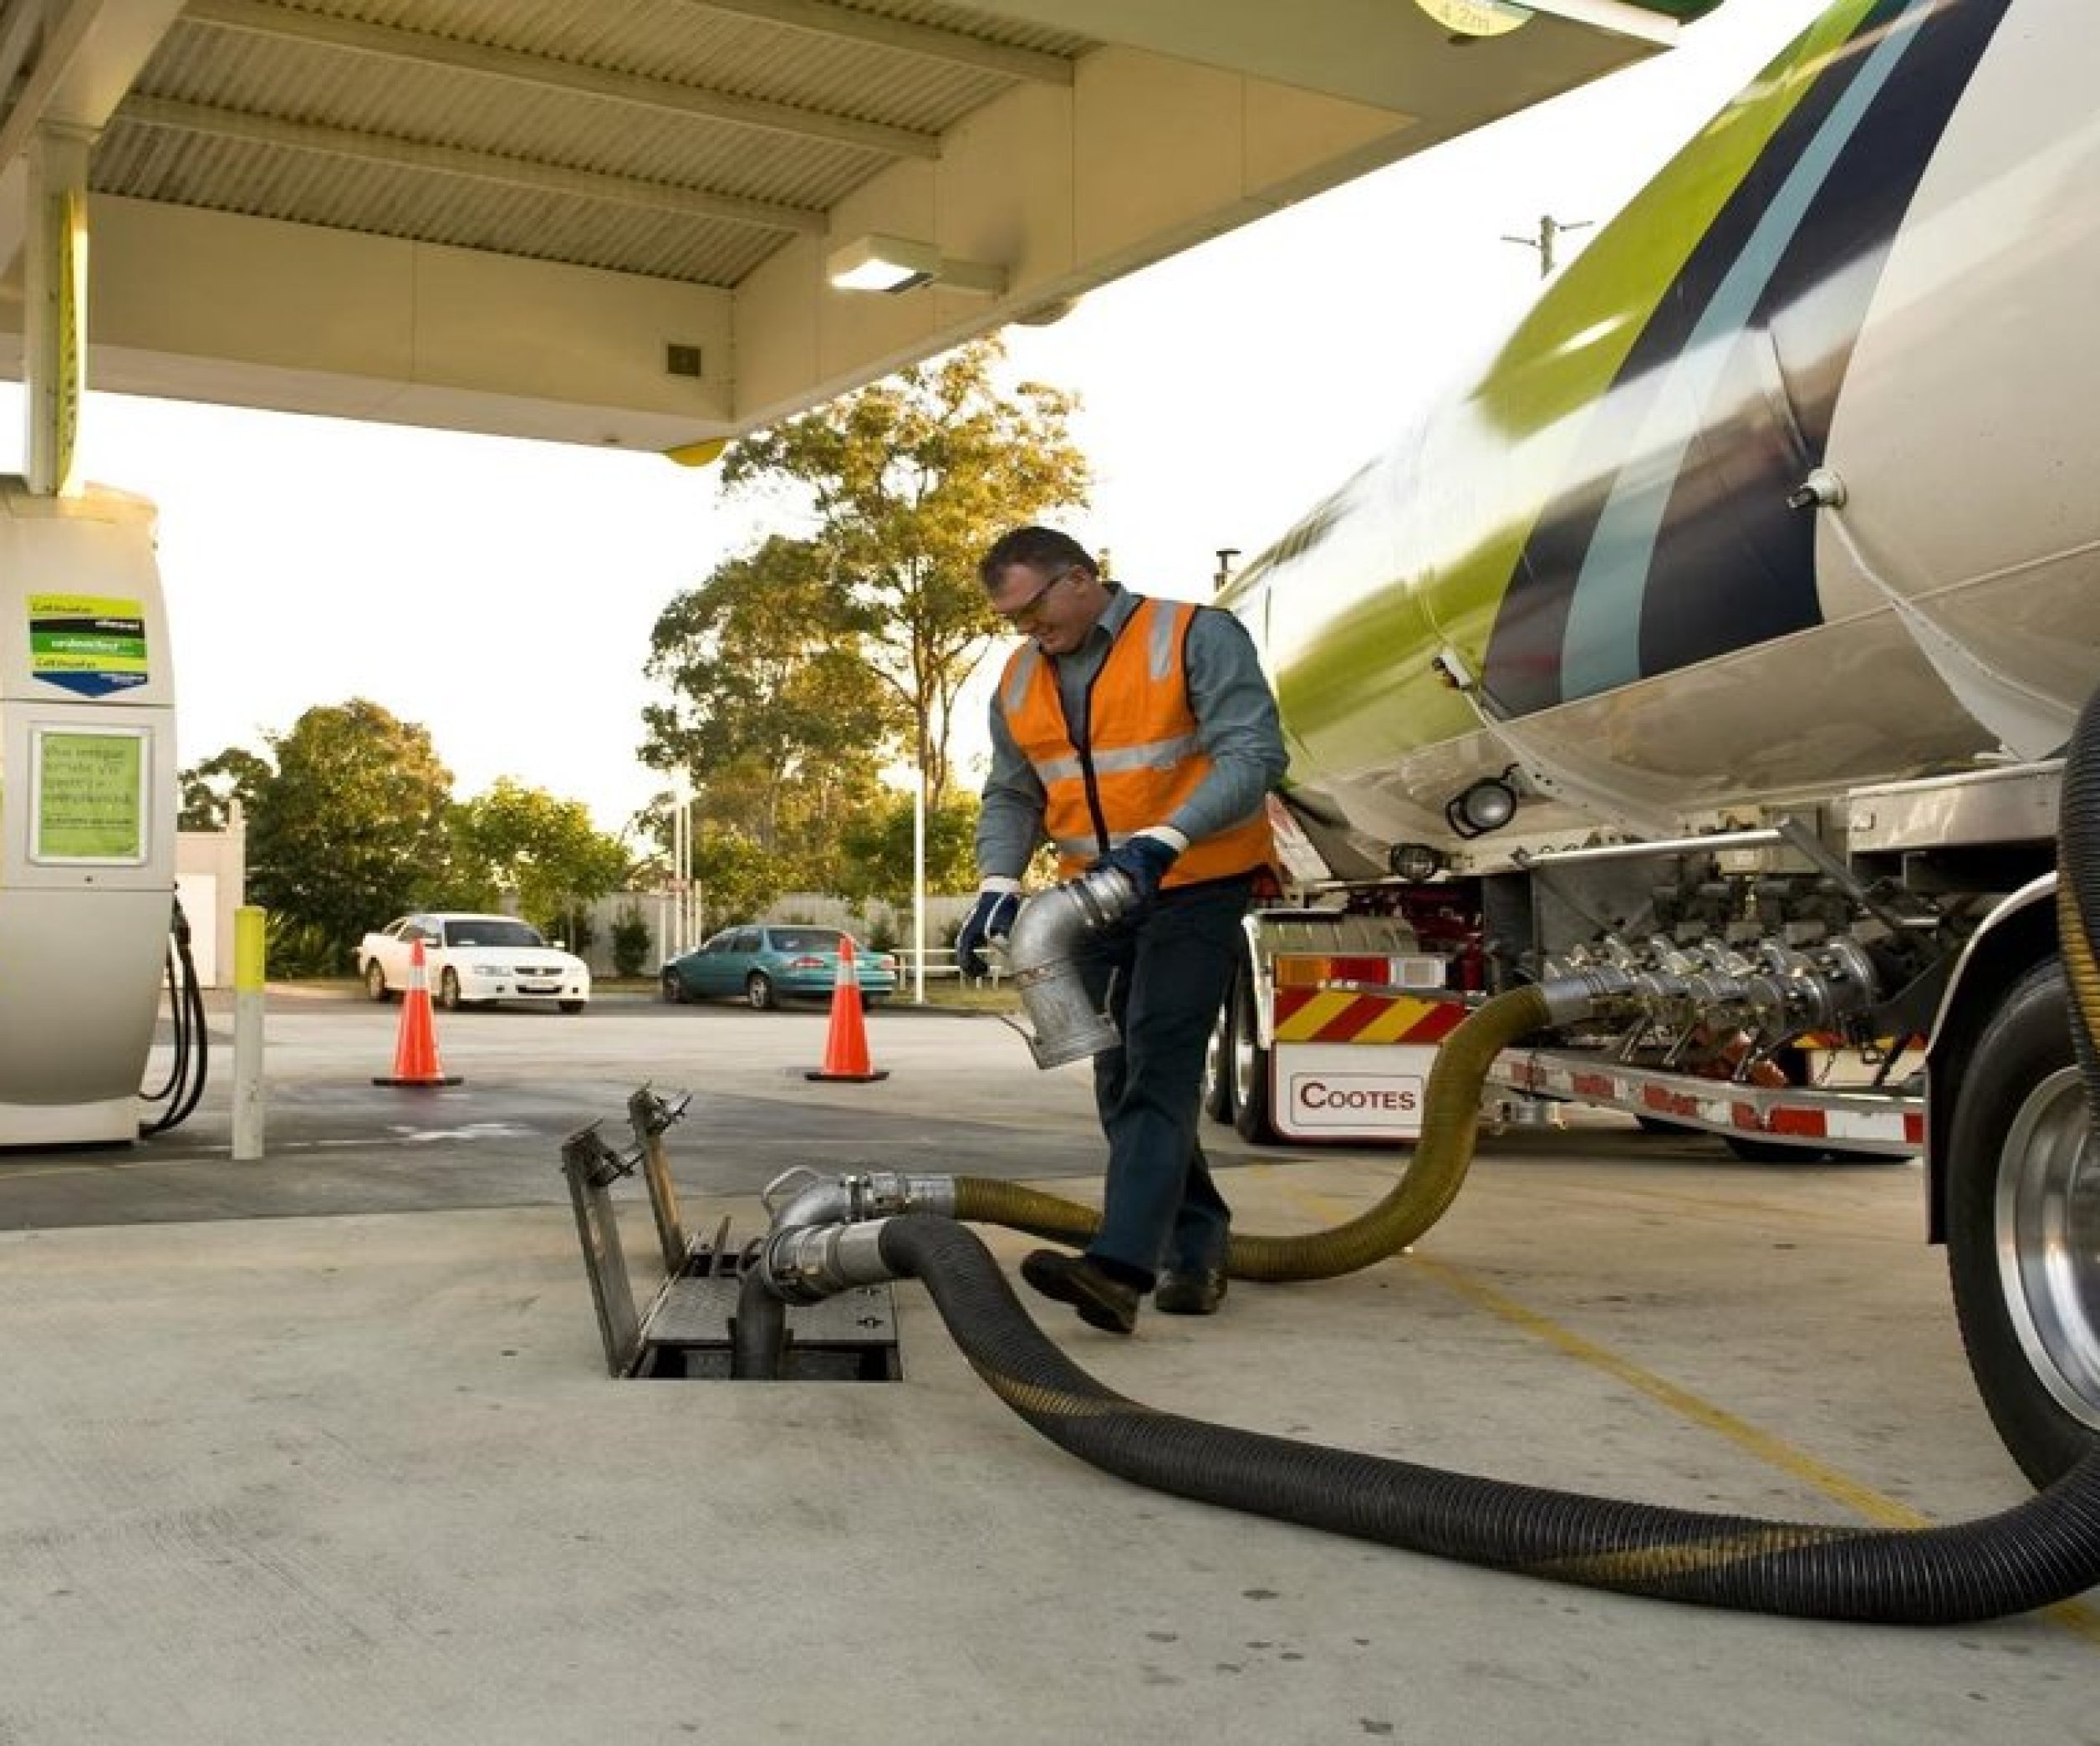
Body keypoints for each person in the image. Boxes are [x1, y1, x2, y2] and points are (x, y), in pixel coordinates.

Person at [956, 525, 1287, 1335]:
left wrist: (1163, 841)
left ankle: (1118, 1269)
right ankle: (1198, 1242)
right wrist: (997, 885)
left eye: (1033, 609)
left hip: (1198, 883)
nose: (1027, 630)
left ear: (1080, 578)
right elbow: (1012, 792)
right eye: (1011, 620)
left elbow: (1253, 756)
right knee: (1117, 1075)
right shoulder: (1020, 677)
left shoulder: (1194, 635)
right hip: (1095, 897)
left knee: (1161, 1061)